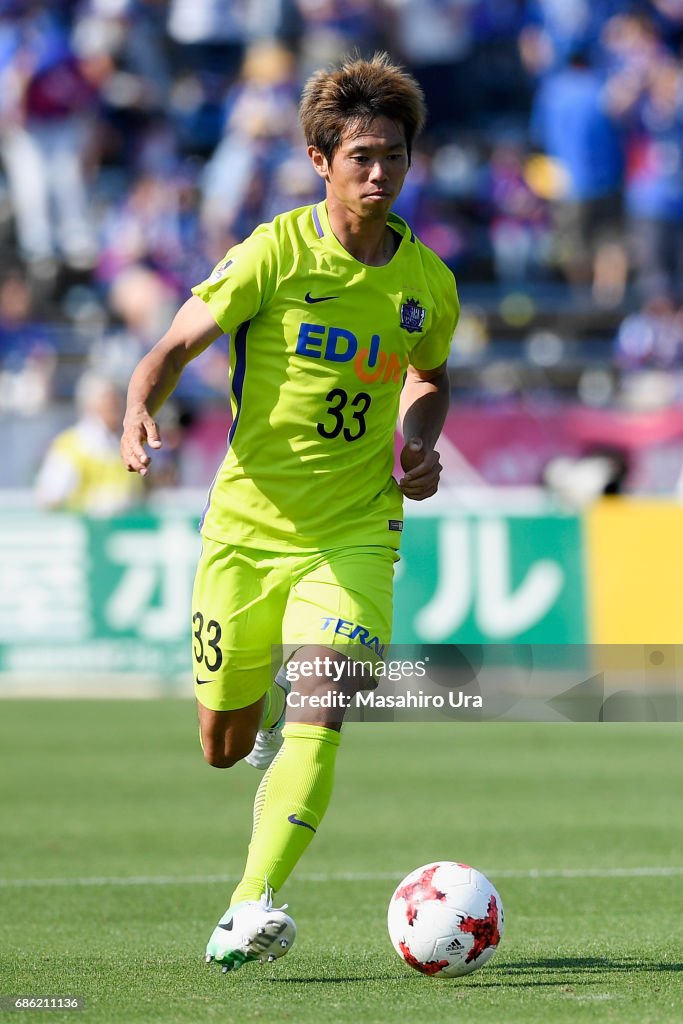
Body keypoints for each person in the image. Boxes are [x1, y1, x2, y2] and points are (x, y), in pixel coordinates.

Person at [120, 52, 459, 973]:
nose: (378, 173)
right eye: (360, 157)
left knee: (323, 707)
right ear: (320, 160)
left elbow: (428, 374)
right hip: (245, 531)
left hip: (354, 531)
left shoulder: (426, 283)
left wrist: (418, 440)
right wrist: (138, 402)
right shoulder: (272, 252)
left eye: (392, 155)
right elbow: (175, 343)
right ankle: (253, 717)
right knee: (224, 748)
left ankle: (250, 902)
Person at [37, 371, 144, 515]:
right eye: (111, 404)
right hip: (83, 532)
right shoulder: (69, 446)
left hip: (123, 531)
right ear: (91, 406)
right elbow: (51, 498)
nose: (117, 410)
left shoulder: (127, 443)